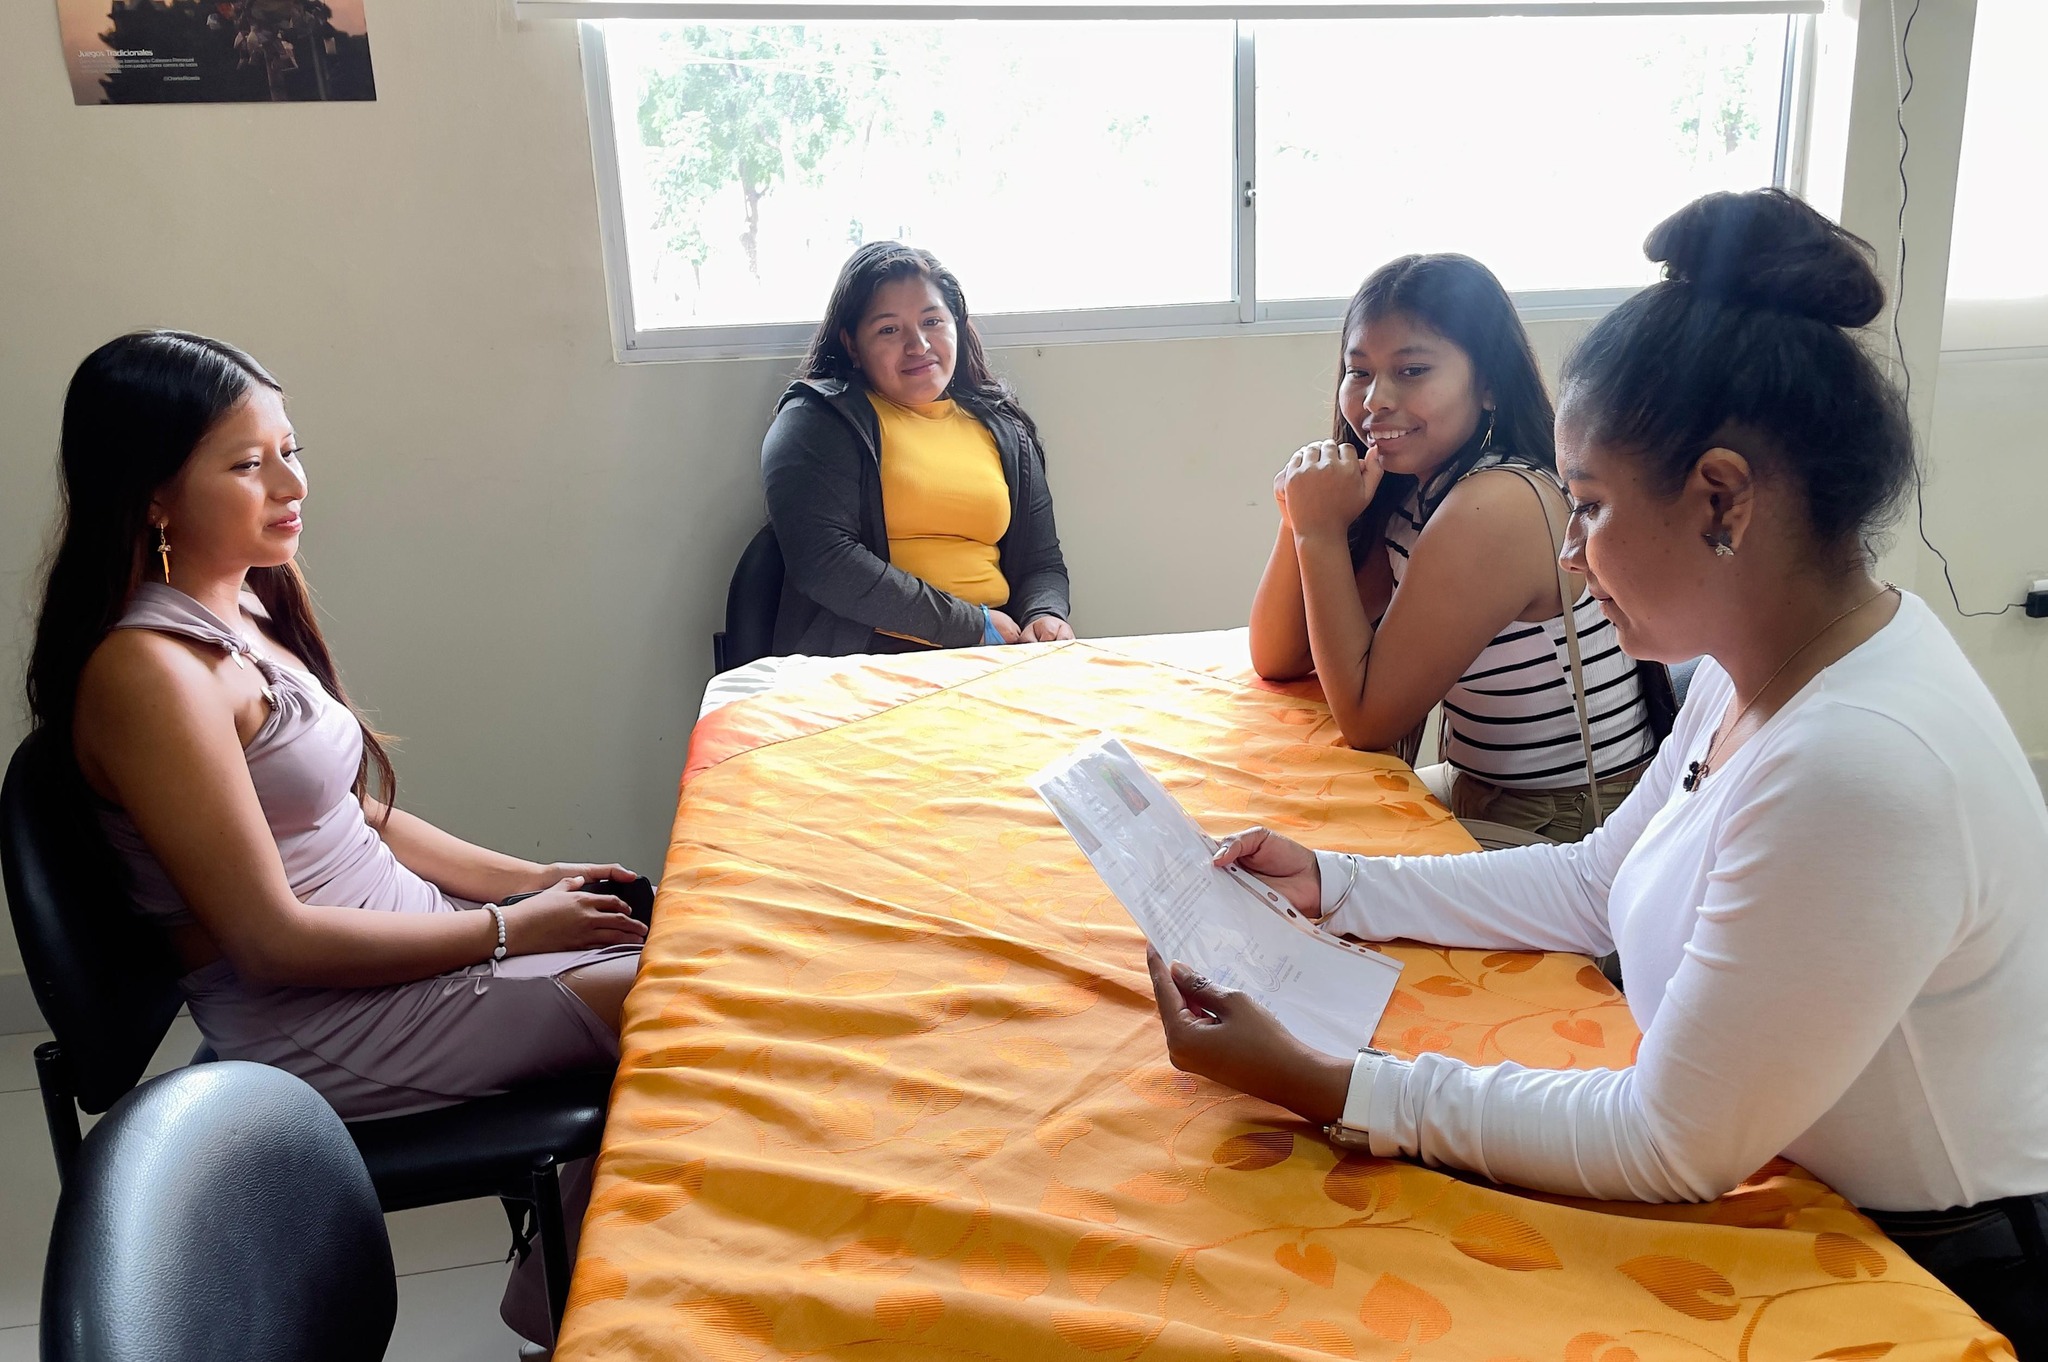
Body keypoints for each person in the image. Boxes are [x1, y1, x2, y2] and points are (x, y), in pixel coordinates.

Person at [1149, 191, 2048, 1354]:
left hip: (1934, 1269)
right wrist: (1334, 881)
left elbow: (1666, 1144)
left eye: (1585, 508)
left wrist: (1331, 1081)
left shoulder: (1858, 763)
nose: (1569, 556)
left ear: (1720, 497)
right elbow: (1591, 882)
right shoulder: (1763, 663)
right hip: (1792, 1180)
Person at [25, 331, 648, 1345]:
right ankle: (588, 1319)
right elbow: (271, 941)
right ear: (153, 496)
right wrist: (509, 929)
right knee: (682, 1006)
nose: (291, 484)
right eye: (247, 463)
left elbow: (349, 814)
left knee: (682, 957)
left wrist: (530, 882)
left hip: (408, 956)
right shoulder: (150, 676)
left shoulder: (245, 603)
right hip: (320, 1024)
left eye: (290, 449)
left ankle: (576, 1300)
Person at [1249, 254, 1660, 844]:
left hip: (1570, 820)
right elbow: (1279, 657)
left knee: (1303, 860)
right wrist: (1299, 518)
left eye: (1412, 370)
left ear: (1488, 384)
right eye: (1358, 371)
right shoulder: (1414, 491)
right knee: (1277, 826)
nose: (1375, 399)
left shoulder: (1496, 503)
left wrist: (1319, 532)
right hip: (1483, 789)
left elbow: (1367, 720)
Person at [762, 241, 1072, 657]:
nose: (918, 345)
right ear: (852, 344)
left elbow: (1041, 561)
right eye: (889, 330)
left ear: (956, 325)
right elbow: (826, 563)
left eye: (932, 321)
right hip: (871, 657)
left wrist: (1044, 615)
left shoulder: (1003, 426)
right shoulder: (817, 419)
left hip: (1002, 650)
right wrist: (971, 626)